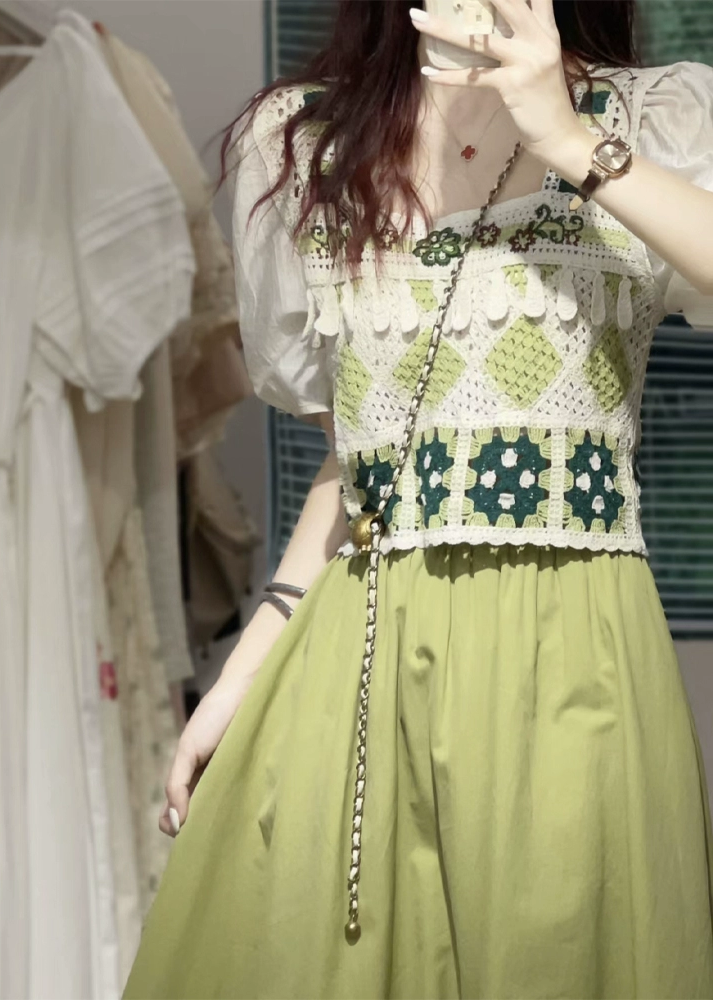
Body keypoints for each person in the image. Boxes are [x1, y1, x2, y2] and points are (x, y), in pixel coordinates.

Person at [123, 0, 713, 996]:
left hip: (569, 658)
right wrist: (240, 675)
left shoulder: (645, 117)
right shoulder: (308, 144)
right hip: (358, 651)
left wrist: (566, 139)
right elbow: (362, 462)